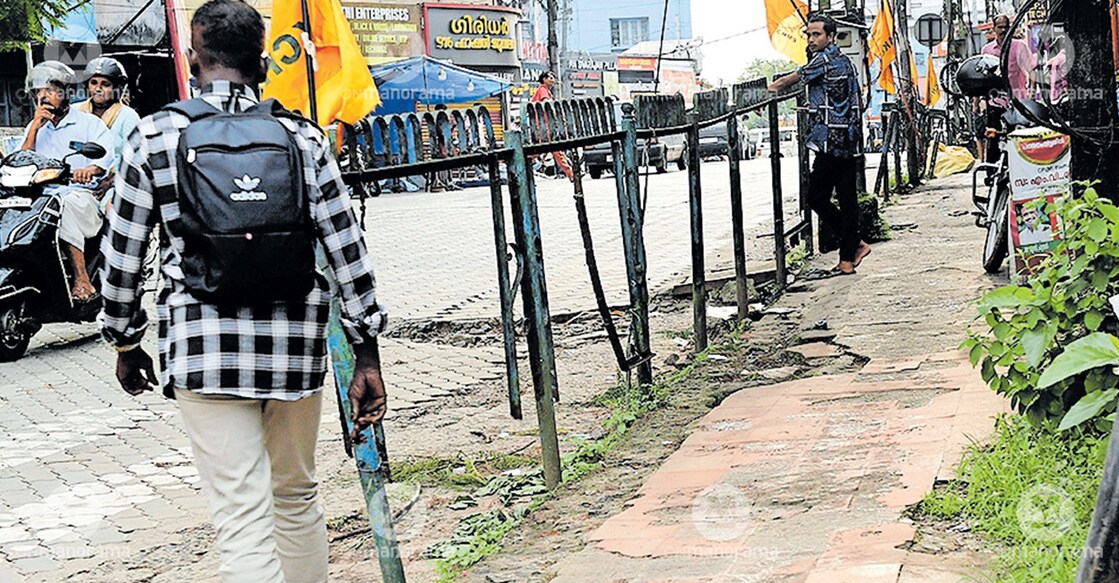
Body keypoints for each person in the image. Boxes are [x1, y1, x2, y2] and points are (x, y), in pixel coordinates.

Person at [99, 1, 389, 580]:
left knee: (241, 514)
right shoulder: (301, 138)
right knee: (298, 498)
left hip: (203, 354)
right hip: (293, 351)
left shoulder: (154, 138)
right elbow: (346, 250)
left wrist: (126, 343)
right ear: (262, 60)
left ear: (193, 56)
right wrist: (367, 351)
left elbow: (122, 258)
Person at [768, 14, 870, 275]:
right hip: (848, 138)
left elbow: (790, 80)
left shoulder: (824, 60)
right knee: (846, 198)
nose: (811, 40)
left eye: (816, 35)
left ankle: (853, 248)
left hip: (832, 141)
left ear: (830, 37)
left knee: (816, 197)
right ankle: (849, 255)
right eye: (809, 35)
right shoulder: (842, 60)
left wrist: (767, 89)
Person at [20, 60, 114, 301]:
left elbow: (102, 159)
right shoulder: (35, 127)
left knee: (65, 203)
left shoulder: (89, 124)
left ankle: (82, 278)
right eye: (38, 92)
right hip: (41, 198)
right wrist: (34, 129)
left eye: (50, 91)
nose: (43, 97)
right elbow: (22, 160)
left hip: (81, 197)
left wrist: (89, 170)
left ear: (66, 93)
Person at [76, 57, 142, 201]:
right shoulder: (75, 112)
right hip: (74, 184)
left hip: (115, 186)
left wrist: (111, 182)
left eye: (105, 84)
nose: (98, 89)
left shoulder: (128, 117)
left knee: (113, 210)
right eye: (93, 83)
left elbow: (137, 159)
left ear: (116, 88)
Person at [974, 14, 1036, 163]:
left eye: (1005, 27)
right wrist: (976, 102)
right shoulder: (987, 50)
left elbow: (1032, 71)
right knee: (993, 139)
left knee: (1018, 138)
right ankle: (993, 171)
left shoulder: (1019, 47)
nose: (1003, 30)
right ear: (994, 29)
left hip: (1017, 102)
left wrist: (1030, 94)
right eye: (999, 27)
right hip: (994, 103)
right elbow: (981, 78)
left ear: (1010, 29)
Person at [530, 71, 574, 181]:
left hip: (543, 127)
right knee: (555, 150)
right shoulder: (543, 90)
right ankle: (571, 173)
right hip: (543, 127)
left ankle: (571, 173)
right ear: (544, 79)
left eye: (553, 77)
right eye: (550, 77)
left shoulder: (544, 91)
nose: (553, 80)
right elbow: (547, 105)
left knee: (538, 152)